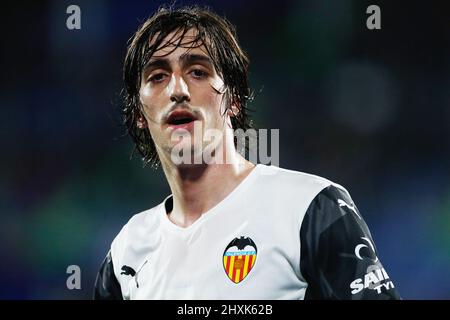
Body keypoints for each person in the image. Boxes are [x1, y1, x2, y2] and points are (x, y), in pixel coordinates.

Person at [93, 5, 400, 300]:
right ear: (139, 115)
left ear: (234, 99)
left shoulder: (311, 208)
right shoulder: (128, 249)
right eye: (157, 76)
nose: (178, 90)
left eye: (198, 71)